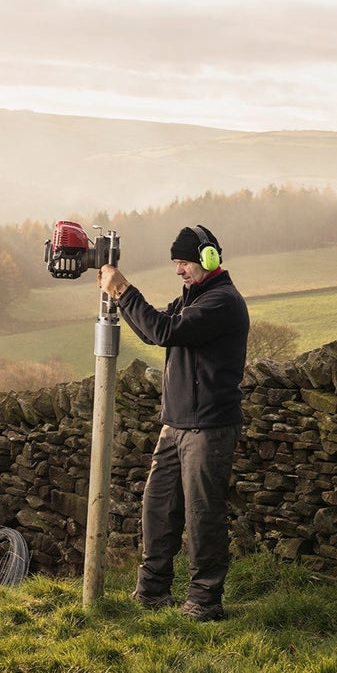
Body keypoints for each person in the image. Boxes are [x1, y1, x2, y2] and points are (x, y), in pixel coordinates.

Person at [99, 224, 249, 621]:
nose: (178, 271)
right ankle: (152, 593)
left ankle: (204, 601)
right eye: (176, 264)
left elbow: (164, 332)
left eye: (183, 262)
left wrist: (123, 290)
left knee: (203, 515)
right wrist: (120, 299)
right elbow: (152, 329)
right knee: (158, 507)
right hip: (176, 424)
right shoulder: (191, 298)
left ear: (208, 258)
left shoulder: (221, 302)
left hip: (209, 427)